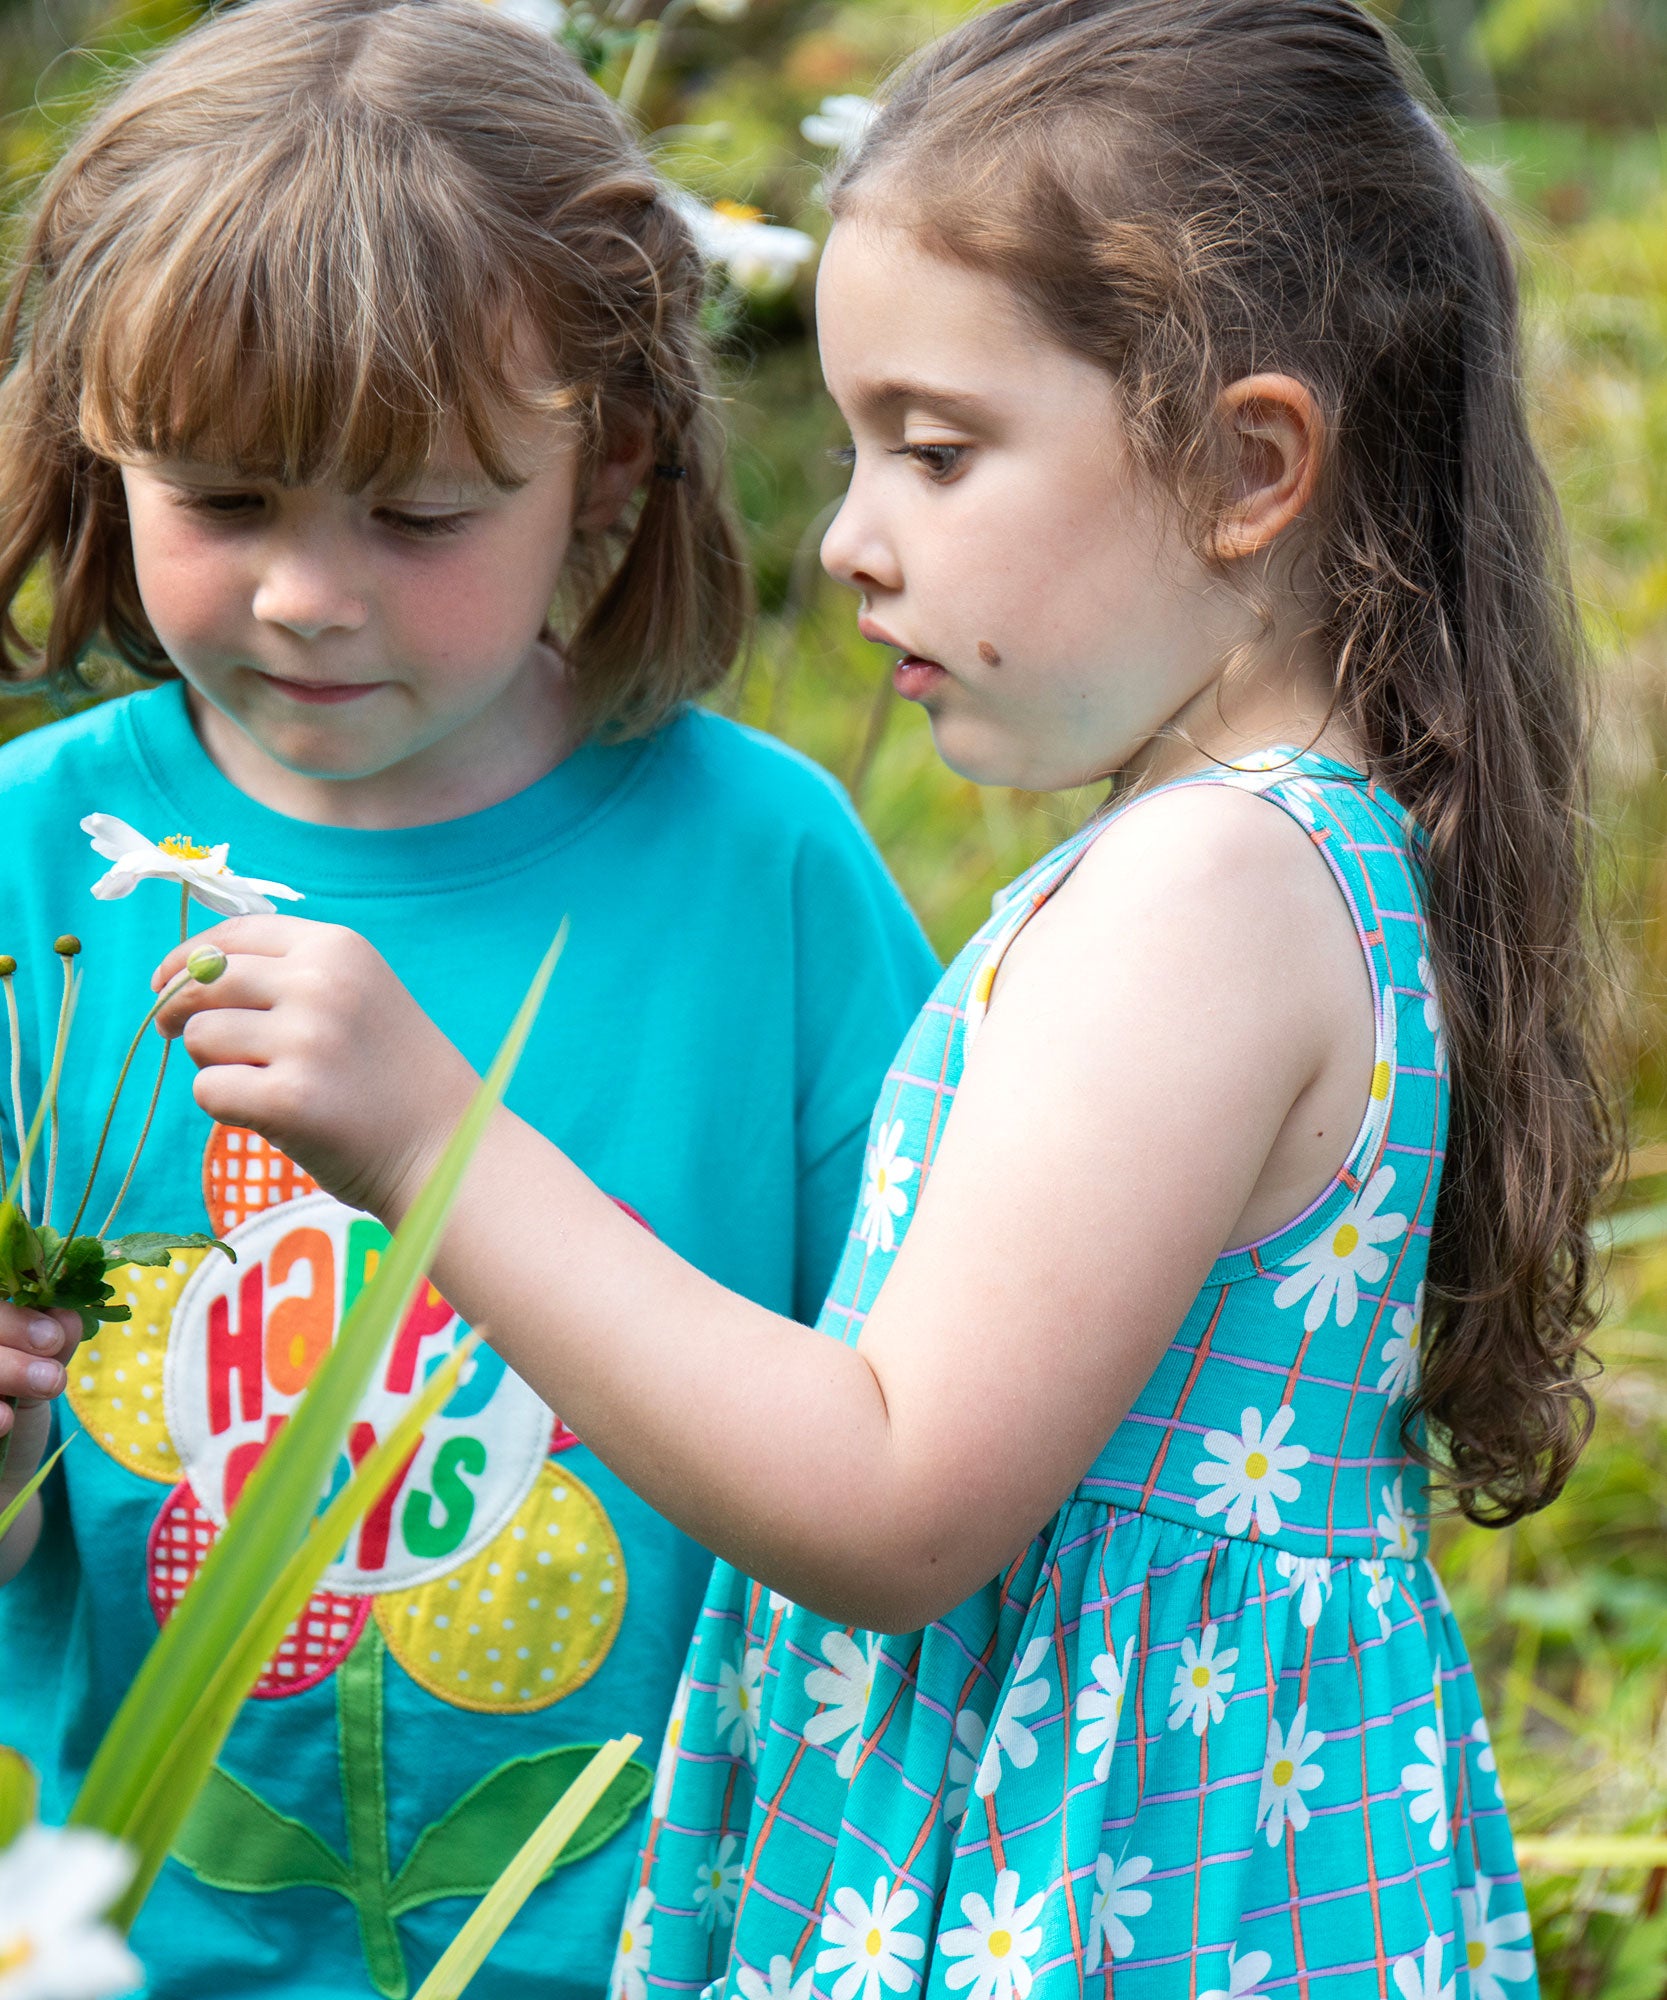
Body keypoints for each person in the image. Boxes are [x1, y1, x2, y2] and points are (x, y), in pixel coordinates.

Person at [146, 0, 1617, 1989]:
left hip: (1080, 1892)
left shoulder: (1199, 888)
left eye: (936, 449)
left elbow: (899, 1492)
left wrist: (432, 1131)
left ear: (1248, 464)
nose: (848, 539)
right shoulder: (1286, 861)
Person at [0, 4, 937, 1996]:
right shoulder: (35, 867)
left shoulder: (763, 874)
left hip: (666, 1949)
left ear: (602, 473)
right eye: (224, 500)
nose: (305, 595)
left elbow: (920, 1442)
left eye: (416, 515)